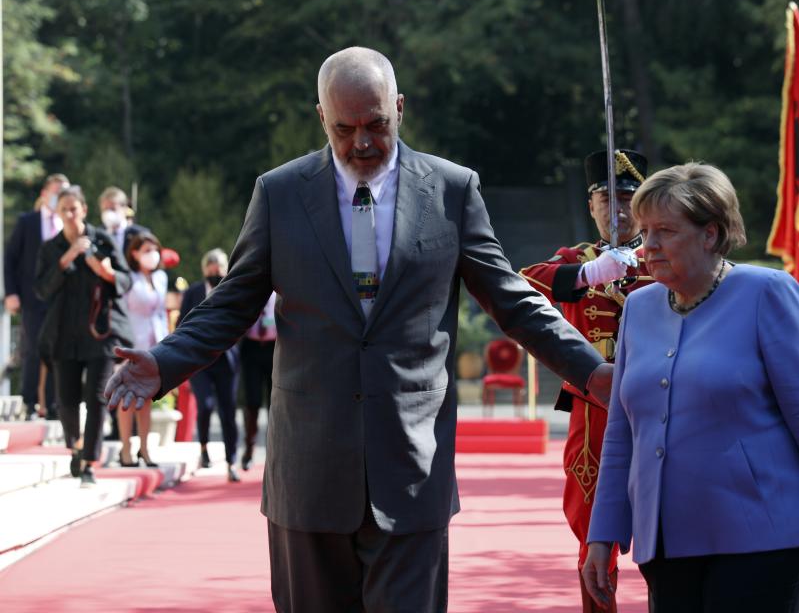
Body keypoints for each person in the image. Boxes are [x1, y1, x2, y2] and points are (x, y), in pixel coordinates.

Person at [104, 46, 611, 612]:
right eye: (345, 129)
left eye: (377, 124)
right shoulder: (280, 193)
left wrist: (593, 373)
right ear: (321, 117)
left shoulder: (451, 190)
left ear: (400, 108)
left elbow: (513, 301)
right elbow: (233, 304)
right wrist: (166, 359)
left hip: (412, 471)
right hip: (309, 475)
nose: (362, 143)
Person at [582, 163, 799, 612]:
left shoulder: (767, 292)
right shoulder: (638, 307)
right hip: (665, 538)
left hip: (764, 533)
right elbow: (622, 433)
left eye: (664, 231)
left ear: (710, 235)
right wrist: (603, 533)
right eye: (644, 230)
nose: (647, 245)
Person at [520, 148, 652, 613]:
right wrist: (589, 273)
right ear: (590, 207)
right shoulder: (577, 259)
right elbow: (522, 282)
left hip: (660, 404)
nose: (615, 211)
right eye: (604, 200)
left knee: (671, 524)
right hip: (595, 409)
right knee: (592, 522)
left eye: (626, 200)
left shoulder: (663, 255)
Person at [35, 186, 133, 486]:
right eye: (63, 209)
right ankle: (76, 445)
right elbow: (41, 290)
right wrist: (67, 259)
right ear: (58, 213)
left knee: (96, 398)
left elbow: (125, 279)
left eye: (74, 208)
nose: (69, 214)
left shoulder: (102, 239)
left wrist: (105, 272)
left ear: (84, 210)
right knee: (65, 400)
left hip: (100, 332)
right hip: (64, 333)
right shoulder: (51, 248)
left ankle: (89, 460)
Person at [4, 173, 70, 419]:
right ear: (44, 194)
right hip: (32, 298)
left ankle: (53, 404)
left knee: (59, 350)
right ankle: (30, 402)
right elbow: (10, 259)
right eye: (54, 192)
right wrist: (11, 293)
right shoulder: (28, 222)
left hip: (61, 298)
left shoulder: (68, 223)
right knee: (33, 349)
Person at [179, 248, 241, 482]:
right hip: (199, 360)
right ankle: (203, 447)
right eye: (211, 268)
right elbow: (182, 324)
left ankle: (231, 461)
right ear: (204, 269)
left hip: (226, 359)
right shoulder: (194, 292)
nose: (215, 272)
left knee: (228, 412)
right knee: (204, 405)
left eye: (220, 268)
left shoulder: (234, 289)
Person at [118, 231, 168, 467]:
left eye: (155, 250)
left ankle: (145, 450)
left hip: (154, 346)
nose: (153, 255)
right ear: (135, 253)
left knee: (146, 399)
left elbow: (160, 312)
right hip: (130, 345)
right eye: (146, 250)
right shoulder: (128, 278)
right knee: (127, 399)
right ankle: (126, 449)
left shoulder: (161, 278)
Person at [239, 291, 276, 470]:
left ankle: (275, 451)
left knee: (275, 403)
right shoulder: (252, 289)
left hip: (275, 349)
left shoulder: (282, 292)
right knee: (252, 401)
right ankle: (249, 449)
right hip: (251, 348)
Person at [98, 186, 148, 257]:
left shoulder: (140, 234)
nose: (109, 213)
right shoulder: (97, 236)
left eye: (113, 209)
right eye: (105, 209)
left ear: (124, 208)